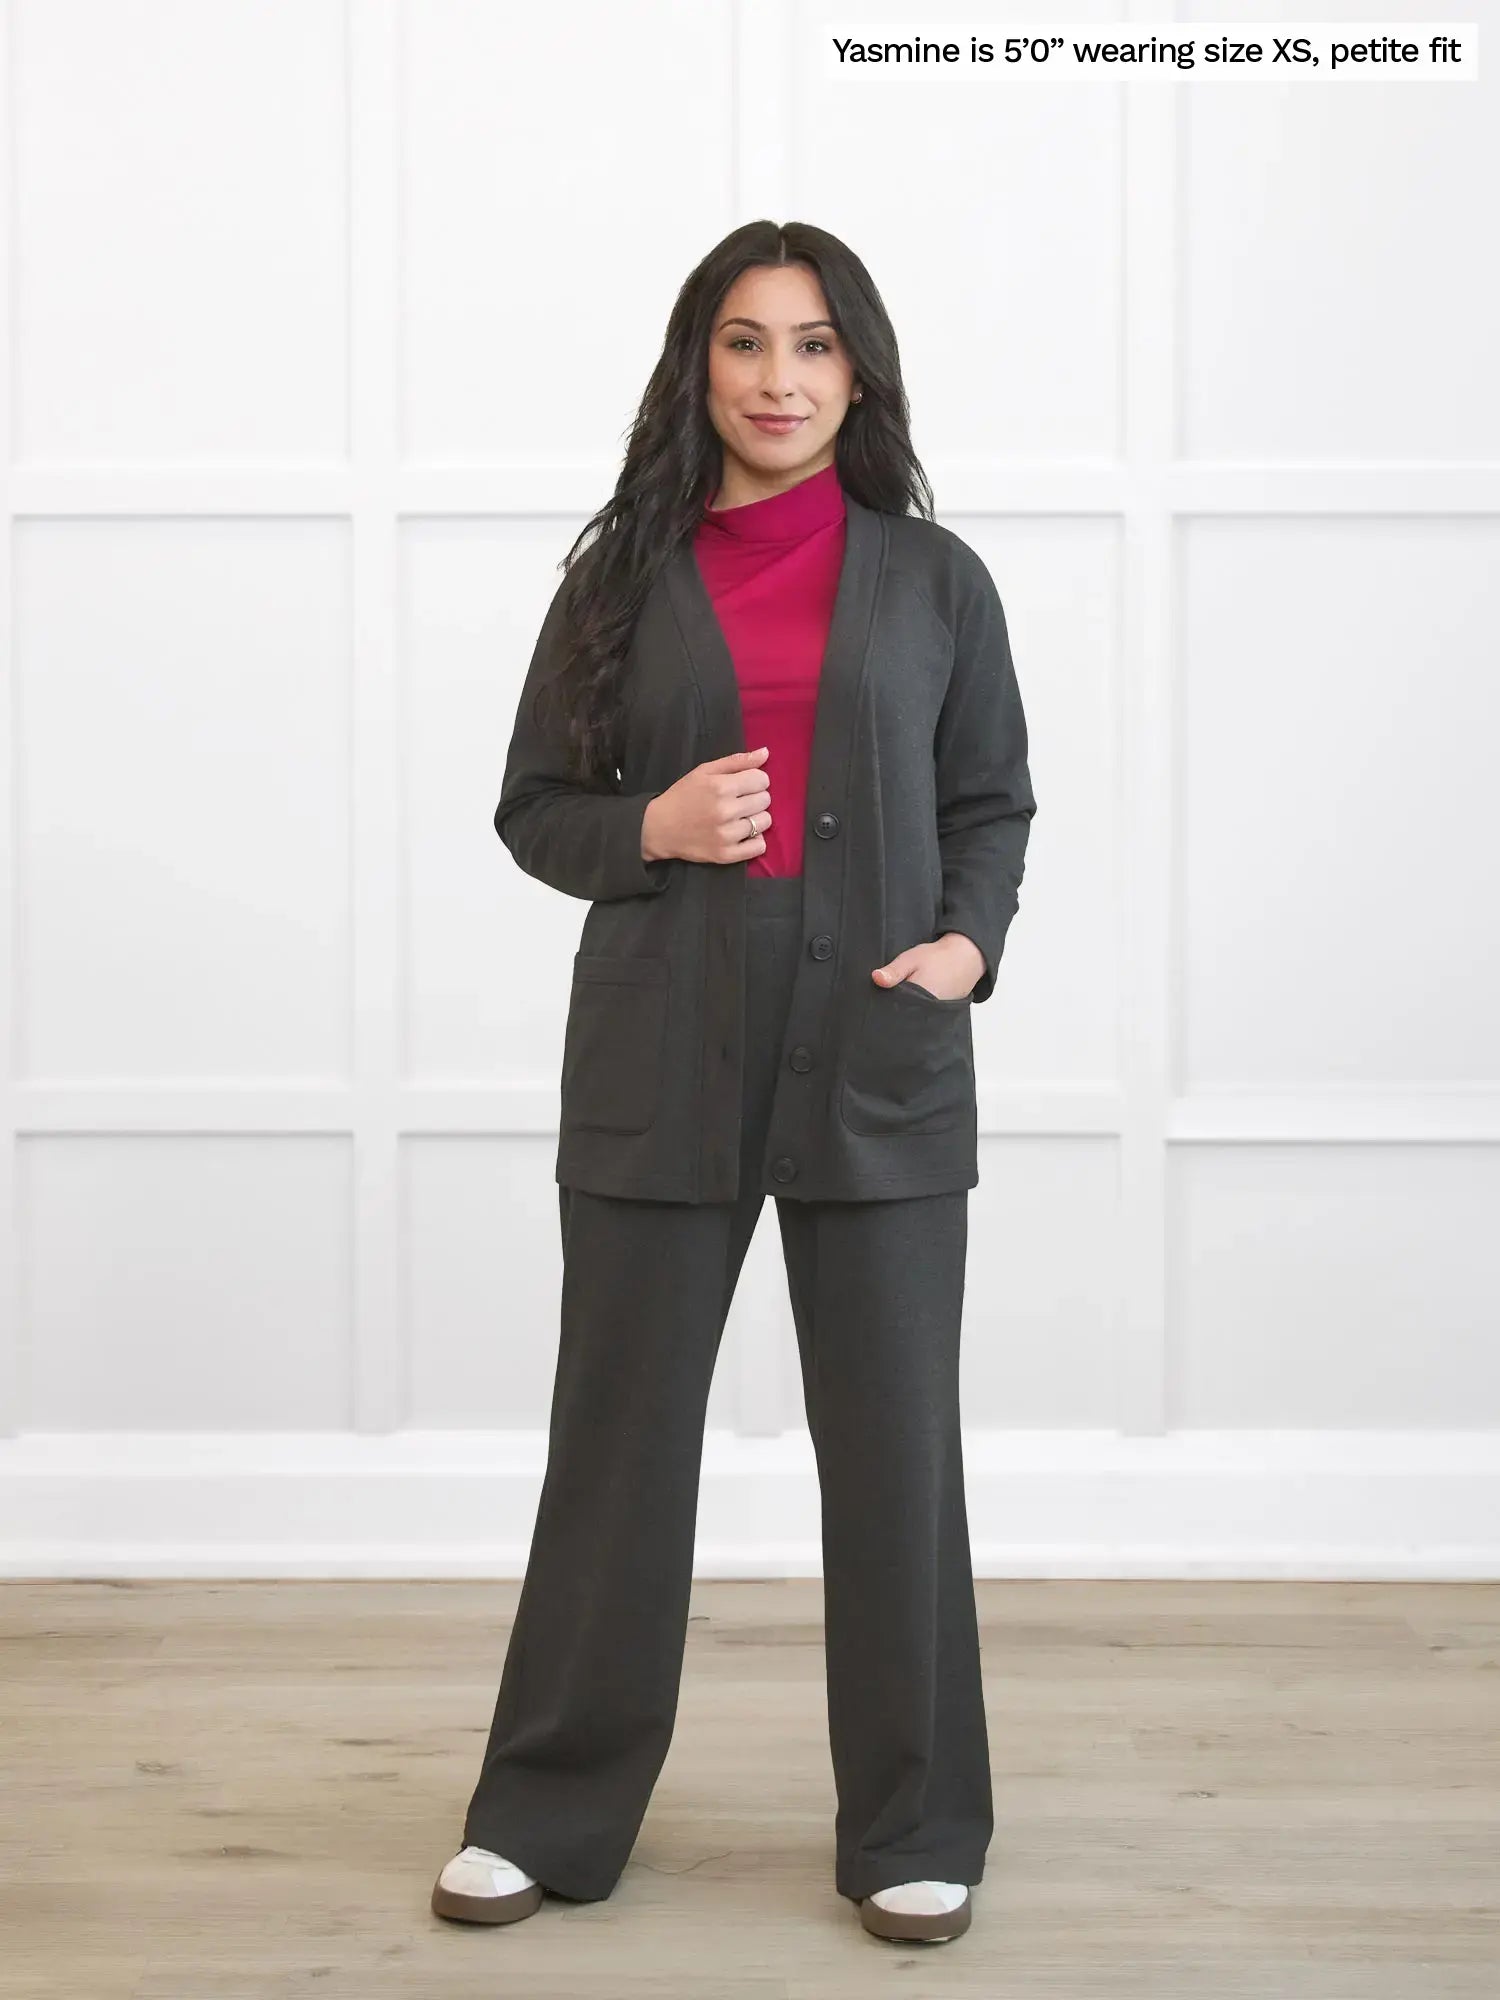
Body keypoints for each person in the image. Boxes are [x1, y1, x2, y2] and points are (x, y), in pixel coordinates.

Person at [431, 219, 1036, 1947]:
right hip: (660, 1052)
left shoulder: (937, 582)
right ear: (699, 368)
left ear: (860, 374)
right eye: (748, 343)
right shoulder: (620, 577)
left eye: (815, 345)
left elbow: (990, 800)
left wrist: (966, 946)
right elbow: (535, 807)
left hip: (880, 1054)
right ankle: (545, 1815)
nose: (782, 379)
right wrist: (656, 826)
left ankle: (916, 1823)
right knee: (616, 1448)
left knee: (897, 1454)